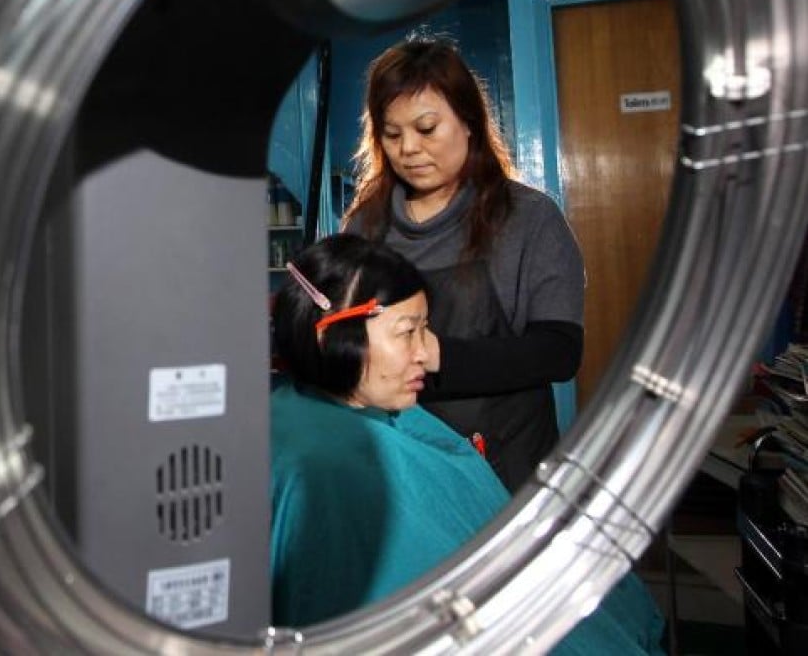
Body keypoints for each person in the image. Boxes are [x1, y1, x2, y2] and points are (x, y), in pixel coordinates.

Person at [270, 234, 663, 654]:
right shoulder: (337, 470)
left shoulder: (352, 413)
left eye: (426, 329)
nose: (426, 352)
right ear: (328, 336)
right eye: (407, 332)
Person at [342, 33, 585, 493]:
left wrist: (435, 355)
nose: (408, 149)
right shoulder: (364, 228)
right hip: (404, 465)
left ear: (469, 121)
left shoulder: (529, 218)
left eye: (427, 128)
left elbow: (560, 351)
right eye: (392, 134)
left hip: (507, 467)